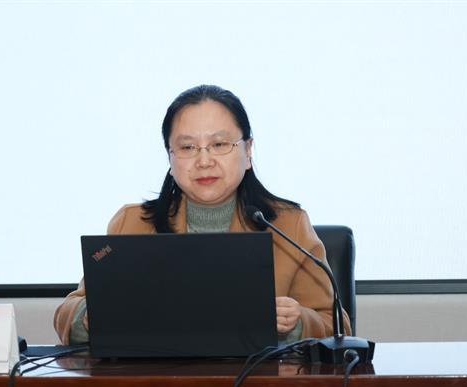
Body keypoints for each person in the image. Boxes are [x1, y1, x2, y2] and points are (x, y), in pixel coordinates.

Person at [54, 84, 351, 345]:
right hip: (155, 384)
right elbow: (67, 313)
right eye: (187, 147)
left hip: (256, 385)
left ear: (248, 150)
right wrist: (90, 317)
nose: (204, 160)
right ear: (170, 157)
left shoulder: (288, 225)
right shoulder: (132, 223)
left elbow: (338, 328)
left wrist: (296, 323)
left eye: (219, 144)